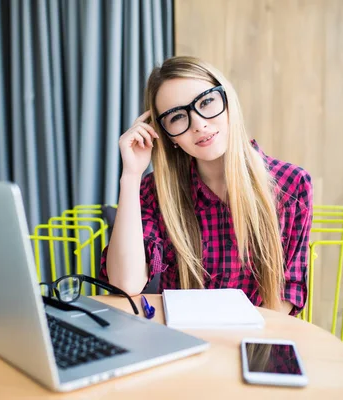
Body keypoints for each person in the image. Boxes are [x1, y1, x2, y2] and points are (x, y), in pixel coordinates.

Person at [99, 56, 313, 315]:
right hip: (182, 341)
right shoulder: (155, 191)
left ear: (228, 101)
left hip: (254, 344)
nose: (199, 124)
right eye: (177, 117)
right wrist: (131, 176)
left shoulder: (292, 185)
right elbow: (126, 284)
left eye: (207, 102)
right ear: (167, 135)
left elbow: (283, 300)